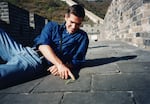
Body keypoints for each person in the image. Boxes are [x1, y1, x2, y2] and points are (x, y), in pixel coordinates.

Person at [0, 4, 89, 87]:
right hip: (23, 50)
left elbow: (78, 60)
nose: (73, 26)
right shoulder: (52, 26)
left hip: (35, 61)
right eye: (72, 22)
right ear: (66, 17)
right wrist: (60, 64)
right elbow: (42, 45)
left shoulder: (82, 37)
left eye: (78, 24)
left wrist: (63, 66)